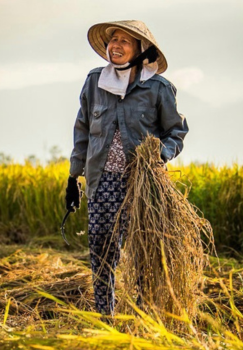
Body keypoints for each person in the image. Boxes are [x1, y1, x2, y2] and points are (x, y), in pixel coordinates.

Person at [65, 20, 188, 317]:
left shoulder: (158, 88)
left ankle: (143, 314)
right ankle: (106, 315)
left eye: (124, 41)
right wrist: (73, 176)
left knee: (145, 251)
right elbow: (82, 130)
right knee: (102, 250)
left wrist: (160, 154)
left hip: (143, 184)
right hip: (102, 181)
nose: (115, 46)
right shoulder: (95, 82)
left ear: (141, 51)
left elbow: (176, 131)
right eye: (113, 40)